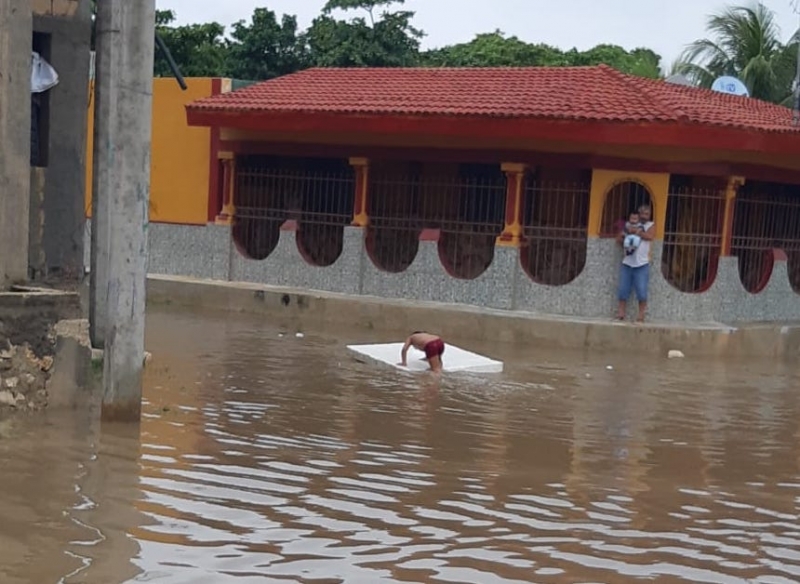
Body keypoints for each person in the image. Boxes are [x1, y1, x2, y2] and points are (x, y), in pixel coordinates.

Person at [615, 204, 655, 322]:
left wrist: (637, 232)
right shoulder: (628, 225)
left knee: (642, 291)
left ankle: (641, 315)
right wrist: (625, 236)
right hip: (627, 262)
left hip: (642, 264)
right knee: (623, 289)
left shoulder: (650, 225)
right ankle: (621, 313)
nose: (644, 216)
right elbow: (618, 240)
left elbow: (650, 236)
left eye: (646, 214)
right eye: (642, 214)